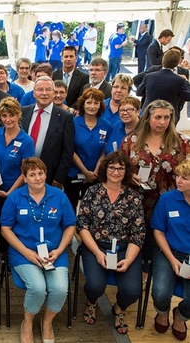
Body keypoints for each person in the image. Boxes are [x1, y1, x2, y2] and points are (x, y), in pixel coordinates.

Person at [1, 157, 76, 343]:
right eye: (32, 174)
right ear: (24, 178)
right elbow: (5, 229)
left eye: (40, 173)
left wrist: (59, 250)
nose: (37, 178)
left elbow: (70, 225)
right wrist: (26, 252)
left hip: (54, 254)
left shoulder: (59, 196)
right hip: (23, 254)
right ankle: (27, 322)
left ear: (46, 174)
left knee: (59, 288)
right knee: (37, 288)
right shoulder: (15, 198)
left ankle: (47, 321)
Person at [120, 99, 190, 282]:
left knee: (158, 239)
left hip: (170, 204)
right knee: (136, 239)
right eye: (158, 117)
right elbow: (119, 167)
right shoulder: (131, 141)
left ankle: (154, 272)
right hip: (136, 202)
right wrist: (129, 176)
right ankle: (136, 271)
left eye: (167, 118)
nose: (162, 122)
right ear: (148, 118)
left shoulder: (182, 143)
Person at [77, 151, 145, 335]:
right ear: (105, 169)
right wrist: (98, 254)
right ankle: (92, 302)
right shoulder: (92, 192)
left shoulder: (135, 197)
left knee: (133, 291)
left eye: (120, 168)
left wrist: (129, 260)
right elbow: (82, 225)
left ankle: (119, 309)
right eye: (112, 167)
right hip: (96, 246)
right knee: (95, 286)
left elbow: (138, 233)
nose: (115, 172)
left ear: (127, 171)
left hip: (125, 249)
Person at [0, 98, 35, 255]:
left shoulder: (26, 140)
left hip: (14, 190)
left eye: (11, 115)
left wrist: (9, 193)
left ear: (18, 115)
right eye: (4, 116)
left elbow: (24, 172)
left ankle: (6, 257)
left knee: (9, 224)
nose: (8, 119)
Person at [151, 159, 190, 341]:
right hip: (169, 252)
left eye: (185, 178)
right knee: (160, 292)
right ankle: (162, 312)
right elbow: (158, 231)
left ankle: (180, 316)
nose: (178, 181)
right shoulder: (167, 199)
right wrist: (172, 259)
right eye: (178, 176)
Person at [21, 76, 75, 187]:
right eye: (40, 89)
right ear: (33, 93)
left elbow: (67, 151)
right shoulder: (23, 112)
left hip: (50, 175)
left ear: (53, 93)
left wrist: (59, 178)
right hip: (22, 174)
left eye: (48, 89)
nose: (44, 93)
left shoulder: (65, 117)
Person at [63, 88, 110, 211]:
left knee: (92, 210)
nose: (92, 106)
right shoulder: (73, 123)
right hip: (74, 174)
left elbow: (104, 151)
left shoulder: (106, 125)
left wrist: (94, 172)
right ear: (83, 104)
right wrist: (85, 171)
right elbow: (70, 150)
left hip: (96, 175)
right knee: (70, 209)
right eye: (89, 102)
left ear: (100, 105)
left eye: (96, 103)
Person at [137, 49, 190, 123]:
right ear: (177, 62)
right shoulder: (180, 80)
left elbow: (138, 93)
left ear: (163, 60)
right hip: (168, 117)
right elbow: (188, 96)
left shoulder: (149, 76)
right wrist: (187, 81)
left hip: (148, 113)